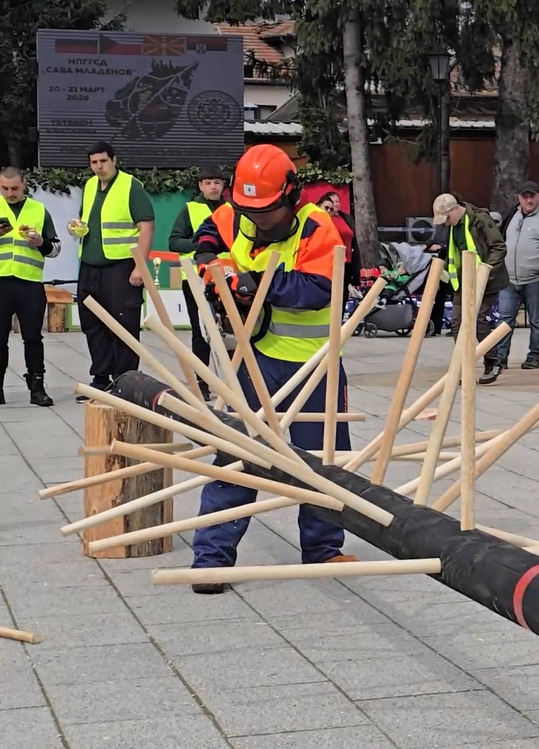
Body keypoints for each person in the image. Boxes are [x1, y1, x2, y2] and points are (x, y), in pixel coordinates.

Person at [187, 145, 357, 593]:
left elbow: (319, 288)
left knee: (320, 463)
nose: (259, 220)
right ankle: (212, 558)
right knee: (237, 457)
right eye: (250, 210)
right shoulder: (238, 213)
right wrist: (214, 267)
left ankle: (322, 550)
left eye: (268, 211)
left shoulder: (318, 228)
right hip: (254, 359)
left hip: (315, 364)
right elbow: (206, 236)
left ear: (291, 195)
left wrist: (255, 282)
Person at [74, 142, 153, 402]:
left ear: (114, 160)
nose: (99, 166)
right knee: (92, 325)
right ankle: (101, 379)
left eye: (103, 161)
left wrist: (139, 267)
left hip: (121, 267)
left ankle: (125, 381)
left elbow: (146, 227)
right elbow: (88, 221)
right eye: (94, 162)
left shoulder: (131, 185)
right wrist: (78, 228)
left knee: (124, 324)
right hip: (90, 265)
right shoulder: (88, 186)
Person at [429, 193, 509, 384]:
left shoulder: (480, 220)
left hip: (486, 280)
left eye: (447, 218)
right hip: (462, 282)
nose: (446, 223)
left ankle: (492, 360)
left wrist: (486, 270)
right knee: (457, 322)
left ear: (455, 209)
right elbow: (451, 250)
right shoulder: (452, 227)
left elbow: (499, 247)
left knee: (477, 319)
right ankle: (462, 366)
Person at [0, 167, 59, 406]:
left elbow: (55, 249)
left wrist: (40, 242)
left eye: (14, 188)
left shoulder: (38, 210)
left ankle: (37, 386)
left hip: (30, 283)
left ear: (24, 184)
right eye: (4, 188)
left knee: (33, 338)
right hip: (1, 282)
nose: (9, 193)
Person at [496, 181, 539, 370]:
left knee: (537, 321)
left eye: (532, 196)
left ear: (538, 196)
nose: (528, 200)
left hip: (536, 280)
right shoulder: (511, 216)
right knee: (504, 321)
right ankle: (500, 358)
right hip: (509, 279)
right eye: (524, 196)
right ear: (519, 198)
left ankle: (534, 356)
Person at [168, 166, 227, 395]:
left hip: (227, 278)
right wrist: (202, 246)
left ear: (223, 185)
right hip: (196, 280)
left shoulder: (232, 209)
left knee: (232, 333)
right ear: (201, 186)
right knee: (201, 333)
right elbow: (174, 242)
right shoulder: (190, 209)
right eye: (208, 182)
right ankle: (202, 384)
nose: (213, 187)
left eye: (217, 182)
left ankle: (236, 382)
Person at [315, 192, 358, 288]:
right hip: (331, 260)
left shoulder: (346, 218)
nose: (334, 204)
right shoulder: (324, 218)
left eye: (337, 201)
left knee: (344, 290)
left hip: (347, 259)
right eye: (332, 201)